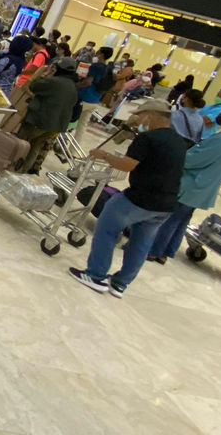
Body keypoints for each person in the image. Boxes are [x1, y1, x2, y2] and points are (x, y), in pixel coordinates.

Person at [69, 99, 187, 297]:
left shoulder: (147, 138)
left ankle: (96, 275)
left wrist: (103, 155)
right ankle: (120, 283)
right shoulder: (179, 141)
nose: (138, 119)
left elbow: (126, 165)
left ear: (150, 115)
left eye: (140, 115)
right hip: (165, 205)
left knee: (107, 229)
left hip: (138, 199)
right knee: (141, 244)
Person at [148, 102, 221, 263]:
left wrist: (174, 156)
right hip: (203, 185)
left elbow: (196, 159)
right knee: (181, 220)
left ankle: (154, 250)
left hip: (193, 184)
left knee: (170, 218)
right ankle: (167, 251)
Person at [15, 59, 79, 174]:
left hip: (39, 121)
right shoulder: (73, 86)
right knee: (35, 147)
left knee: (22, 144)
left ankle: (12, 167)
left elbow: (34, 86)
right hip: (55, 125)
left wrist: (45, 74)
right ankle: (22, 171)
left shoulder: (54, 82)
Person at [73, 46, 113, 143]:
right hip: (95, 99)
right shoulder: (107, 68)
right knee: (82, 126)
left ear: (102, 54)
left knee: (69, 120)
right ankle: (73, 150)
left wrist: (76, 85)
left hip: (84, 97)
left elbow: (88, 82)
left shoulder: (95, 66)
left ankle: (59, 142)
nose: (96, 52)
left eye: (99, 51)